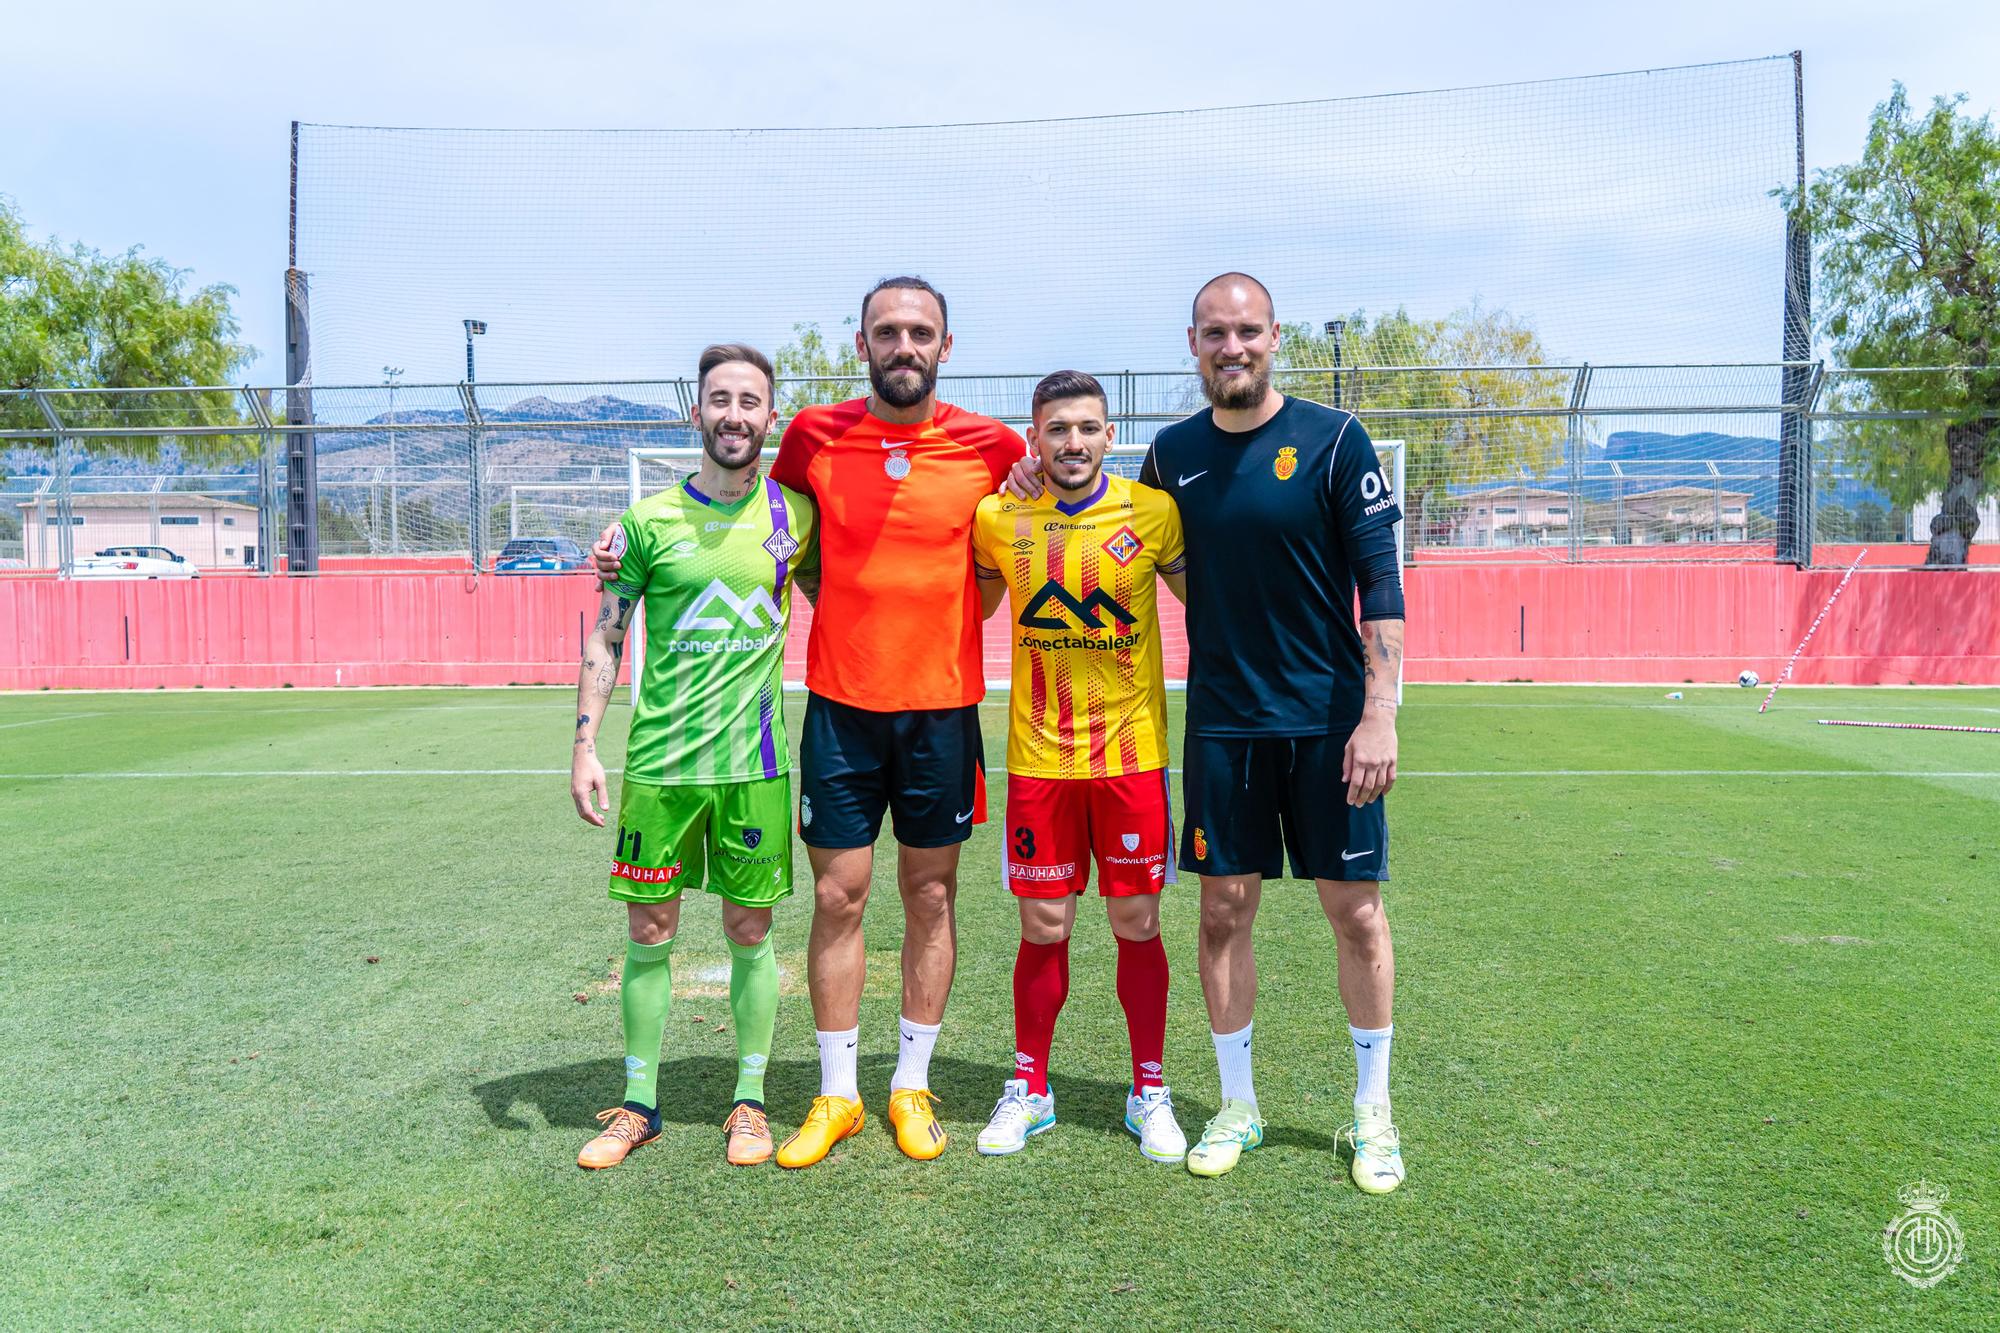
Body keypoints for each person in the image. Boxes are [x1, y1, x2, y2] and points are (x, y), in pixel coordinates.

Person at [592, 278, 1024, 1167]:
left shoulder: (995, 446)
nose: (903, 345)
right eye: (886, 332)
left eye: (920, 332)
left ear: (947, 345)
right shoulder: (815, 440)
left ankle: (910, 1084)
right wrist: (623, 540)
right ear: (861, 344)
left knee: (932, 894)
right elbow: (765, 521)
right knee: (838, 896)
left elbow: (1025, 529)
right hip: (839, 708)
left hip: (942, 712)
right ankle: (837, 1094)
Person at [1006, 273, 1408, 1191]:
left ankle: (1373, 1112)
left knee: (1356, 911)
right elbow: (1104, 520)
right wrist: (1026, 473)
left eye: (1249, 331)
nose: (1234, 347)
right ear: (1192, 342)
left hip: (1331, 721)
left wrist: (1379, 712)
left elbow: (1380, 582)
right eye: (1216, 333)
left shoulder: (1335, 440)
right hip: (1222, 725)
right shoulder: (1170, 458)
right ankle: (1237, 1105)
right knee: (1224, 912)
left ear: (1275, 336)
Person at [569, 343, 817, 1170]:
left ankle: (749, 1101)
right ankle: (639, 1104)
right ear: (696, 412)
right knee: (650, 929)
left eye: (750, 400)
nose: (735, 414)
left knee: (751, 928)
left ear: (769, 416)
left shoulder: (797, 519)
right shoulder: (643, 524)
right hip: (661, 765)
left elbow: (856, 589)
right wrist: (584, 748)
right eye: (720, 399)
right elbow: (607, 634)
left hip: (755, 764)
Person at [968, 371, 1189, 1163]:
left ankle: (1149, 1088)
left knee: (1138, 921)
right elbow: (973, 601)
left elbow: (1217, 598)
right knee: (1044, 923)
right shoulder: (998, 515)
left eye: (1088, 427)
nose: (1072, 442)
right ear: (1034, 437)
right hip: (1038, 760)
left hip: (1134, 760)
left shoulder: (1153, 512)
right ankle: (1030, 1085)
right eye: (1057, 428)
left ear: (1109, 435)